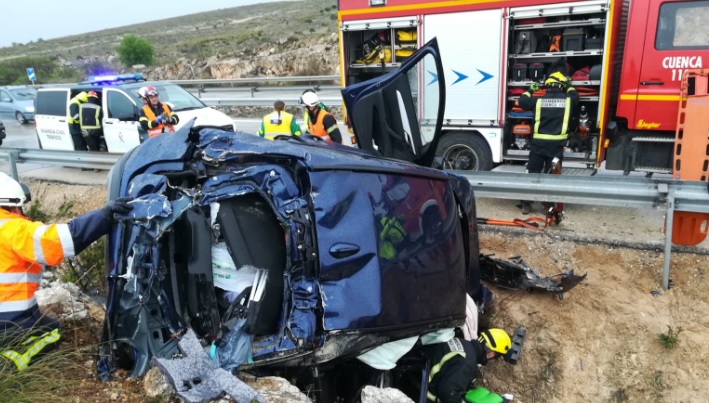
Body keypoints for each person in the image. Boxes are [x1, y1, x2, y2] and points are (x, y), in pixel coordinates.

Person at [0, 172, 132, 371]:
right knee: (52, 331)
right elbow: (62, 240)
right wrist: (104, 215)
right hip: (9, 320)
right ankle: (9, 363)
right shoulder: (10, 228)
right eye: (20, 207)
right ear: (11, 204)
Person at [517, 72, 579, 215]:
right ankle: (548, 207)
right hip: (556, 147)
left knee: (532, 173)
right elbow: (575, 97)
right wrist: (569, 86)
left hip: (538, 145)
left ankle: (526, 204)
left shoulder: (538, 101)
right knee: (552, 175)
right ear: (562, 86)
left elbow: (522, 102)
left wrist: (531, 89)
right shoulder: (568, 100)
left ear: (547, 87)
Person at [424, 328, 512, 403]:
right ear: (492, 354)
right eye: (497, 358)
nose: (494, 361)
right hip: (425, 394)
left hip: (421, 376)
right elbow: (447, 394)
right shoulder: (467, 363)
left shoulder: (464, 344)